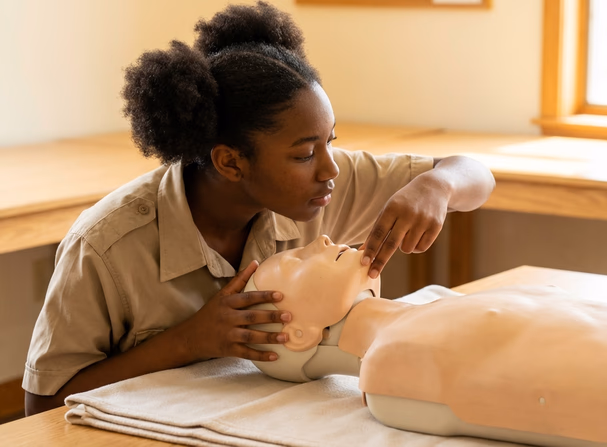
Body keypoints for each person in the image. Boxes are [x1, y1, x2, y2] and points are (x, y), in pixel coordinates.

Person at [22, 1, 494, 416]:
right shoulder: (105, 246)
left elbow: (477, 176)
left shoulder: (322, 186)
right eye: (304, 153)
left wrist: (437, 184)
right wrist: (190, 340)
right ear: (230, 161)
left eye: (331, 141)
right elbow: (41, 405)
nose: (330, 168)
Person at [241, 235, 607, 446]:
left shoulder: (429, 316)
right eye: (301, 259)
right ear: (298, 334)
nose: (323, 240)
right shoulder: (391, 360)